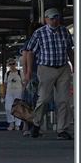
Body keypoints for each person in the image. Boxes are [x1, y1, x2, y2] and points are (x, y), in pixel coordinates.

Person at [22, 8, 74, 140]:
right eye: (51, 18)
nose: (54, 20)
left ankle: (62, 129)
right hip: (45, 68)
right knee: (43, 99)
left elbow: (69, 50)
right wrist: (28, 72)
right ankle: (37, 123)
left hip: (63, 68)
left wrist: (74, 66)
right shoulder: (39, 33)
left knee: (63, 100)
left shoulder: (65, 32)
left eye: (56, 18)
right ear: (46, 19)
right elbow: (30, 52)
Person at [3, 58, 24, 132]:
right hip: (9, 92)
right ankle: (11, 122)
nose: (12, 66)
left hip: (18, 92)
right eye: (10, 64)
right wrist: (3, 94)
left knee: (17, 108)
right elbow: (5, 84)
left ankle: (17, 124)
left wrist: (24, 92)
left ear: (15, 64)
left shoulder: (19, 72)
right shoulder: (8, 73)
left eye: (13, 64)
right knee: (8, 108)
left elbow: (23, 82)